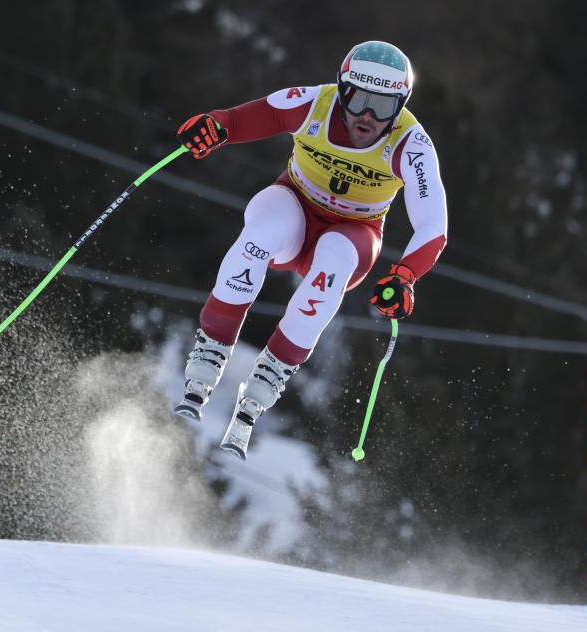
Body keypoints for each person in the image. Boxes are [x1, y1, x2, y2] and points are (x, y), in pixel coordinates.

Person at [172, 41, 447, 460]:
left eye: (384, 105)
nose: (368, 117)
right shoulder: (314, 103)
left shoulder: (412, 143)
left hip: (354, 231)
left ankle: (266, 381)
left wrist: (405, 276)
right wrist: (213, 127)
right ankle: (209, 351)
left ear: (402, 103)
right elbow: (241, 118)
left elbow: (433, 226)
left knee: (332, 264)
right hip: (294, 208)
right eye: (358, 99)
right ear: (342, 89)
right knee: (260, 231)